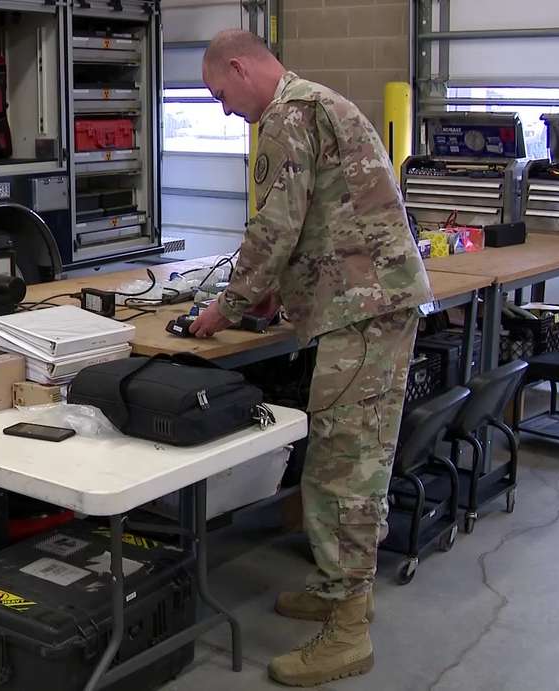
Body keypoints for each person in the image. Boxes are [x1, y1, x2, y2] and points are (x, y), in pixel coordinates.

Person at [189, 29, 433, 687]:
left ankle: (348, 632)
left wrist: (228, 306)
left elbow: (275, 225)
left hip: (363, 309)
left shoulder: (287, 116)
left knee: (343, 468)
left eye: (220, 93)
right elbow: (322, 219)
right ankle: (336, 591)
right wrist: (278, 291)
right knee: (348, 458)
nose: (224, 109)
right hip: (370, 302)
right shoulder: (317, 104)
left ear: (240, 68)